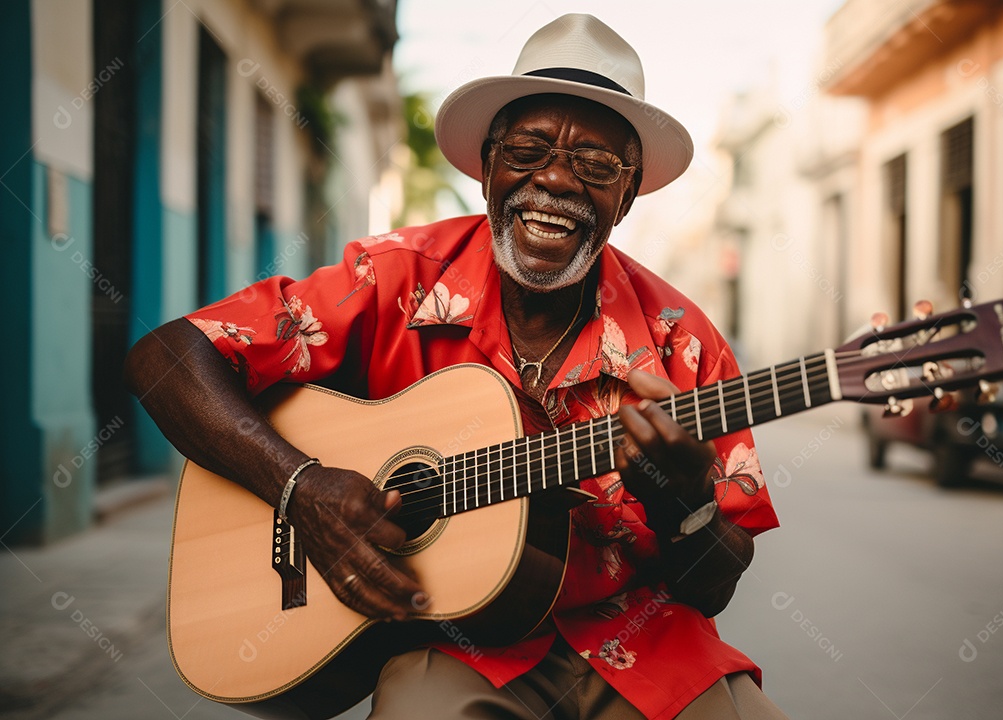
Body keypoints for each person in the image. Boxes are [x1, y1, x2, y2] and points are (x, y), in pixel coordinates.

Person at [126, 14, 785, 720]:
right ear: (487, 168)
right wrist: (300, 487)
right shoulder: (391, 277)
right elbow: (167, 356)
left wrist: (684, 502)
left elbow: (714, 586)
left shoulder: (683, 343)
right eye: (529, 150)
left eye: (594, 165)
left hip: (647, 646)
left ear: (626, 197)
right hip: (458, 642)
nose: (556, 178)